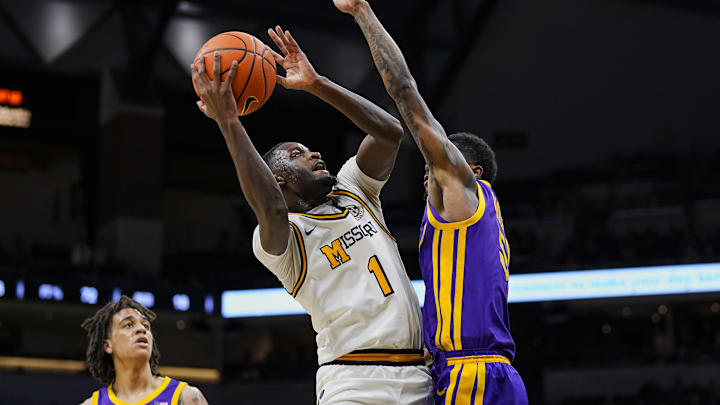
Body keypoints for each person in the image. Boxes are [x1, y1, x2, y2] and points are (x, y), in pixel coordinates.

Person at [191, 26, 432, 404]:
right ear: (279, 179)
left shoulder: (355, 189)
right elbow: (268, 206)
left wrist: (317, 83)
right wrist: (229, 121)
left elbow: (389, 133)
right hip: (354, 382)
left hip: (421, 375)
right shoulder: (280, 239)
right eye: (298, 154)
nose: (315, 153)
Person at [332, 1, 529, 404]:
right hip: (469, 370)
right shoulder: (475, 222)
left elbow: (404, 91)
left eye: (438, 163)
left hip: (472, 374)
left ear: (470, 171)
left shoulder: (464, 197)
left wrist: (361, 12)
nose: (429, 168)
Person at [78, 295, 208, 405]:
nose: (142, 329)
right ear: (108, 346)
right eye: (128, 325)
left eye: (146, 325)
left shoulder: (187, 397)